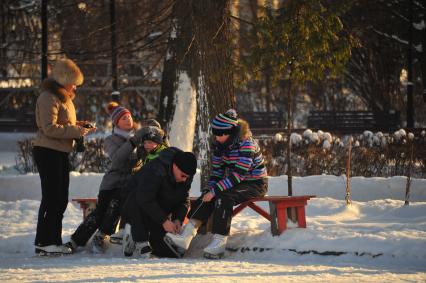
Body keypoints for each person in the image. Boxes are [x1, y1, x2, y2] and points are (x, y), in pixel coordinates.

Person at [164, 109, 268, 259]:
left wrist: (215, 191)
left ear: (231, 133)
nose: (218, 137)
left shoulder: (247, 144)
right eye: (216, 133)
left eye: (221, 134)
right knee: (209, 194)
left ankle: (219, 241)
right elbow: (217, 173)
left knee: (223, 197)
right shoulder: (219, 146)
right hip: (236, 182)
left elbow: (239, 174)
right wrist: (209, 189)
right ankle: (186, 235)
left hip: (255, 183)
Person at [65, 102, 150, 253]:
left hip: (128, 184)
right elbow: (117, 159)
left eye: (129, 116)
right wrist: (133, 142)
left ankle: (102, 235)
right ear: (116, 122)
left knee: (115, 209)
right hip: (111, 184)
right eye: (123, 118)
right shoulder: (111, 140)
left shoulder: (140, 139)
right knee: (99, 213)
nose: (128, 120)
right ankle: (75, 241)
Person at [32, 58, 96, 255]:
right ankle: (44, 241)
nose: (75, 87)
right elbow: (49, 128)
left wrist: (81, 126)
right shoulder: (48, 98)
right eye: (73, 83)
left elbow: (64, 122)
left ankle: (52, 240)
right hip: (47, 151)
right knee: (52, 197)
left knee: (60, 198)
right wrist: (77, 131)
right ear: (63, 80)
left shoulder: (64, 98)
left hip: (59, 151)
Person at [121, 148, 197, 258]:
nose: (185, 180)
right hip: (135, 207)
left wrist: (178, 219)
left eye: (188, 177)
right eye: (183, 176)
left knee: (169, 253)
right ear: (175, 166)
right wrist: (164, 221)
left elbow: (183, 200)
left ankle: (146, 237)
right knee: (137, 199)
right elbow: (145, 199)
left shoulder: (185, 175)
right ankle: (138, 238)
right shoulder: (155, 169)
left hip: (158, 211)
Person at [109, 122, 169, 244]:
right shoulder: (148, 153)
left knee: (134, 197)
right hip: (148, 187)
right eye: (145, 143)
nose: (147, 145)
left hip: (159, 189)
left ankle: (128, 229)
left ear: (158, 143)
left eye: (150, 143)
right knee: (128, 195)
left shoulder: (163, 154)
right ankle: (124, 228)